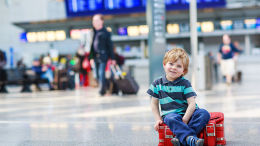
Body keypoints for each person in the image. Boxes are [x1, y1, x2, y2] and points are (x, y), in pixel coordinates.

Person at [147, 48, 210, 146]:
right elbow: (154, 104)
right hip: (171, 115)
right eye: (171, 64)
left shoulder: (185, 83)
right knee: (170, 119)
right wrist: (158, 119)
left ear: (183, 71)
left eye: (179, 66)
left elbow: (192, 104)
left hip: (189, 114)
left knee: (204, 114)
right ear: (164, 65)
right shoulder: (157, 83)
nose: (174, 68)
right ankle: (190, 138)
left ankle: (182, 138)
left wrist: (185, 119)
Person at [89, 14, 116, 96]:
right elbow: (91, 46)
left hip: (103, 56)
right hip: (95, 57)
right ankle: (105, 87)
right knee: (96, 74)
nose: (94, 22)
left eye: (96, 20)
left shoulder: (106, 32)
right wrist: (91, 58)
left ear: (102, 21)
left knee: (101, 73)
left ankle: (102, 91)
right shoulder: (92, 32)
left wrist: (112, 58)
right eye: (93, 20)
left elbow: (110, 46)